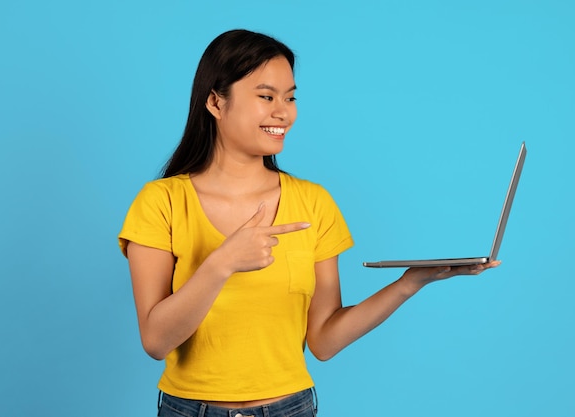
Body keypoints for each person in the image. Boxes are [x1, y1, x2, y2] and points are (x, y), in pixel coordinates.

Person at [118, 29, 500, 417]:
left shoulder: (313, 203)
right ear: (216, 103)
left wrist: (409, 284)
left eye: (290, 97)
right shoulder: (160, 202)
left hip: (291, 408)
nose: (283, 111)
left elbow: (324, 340)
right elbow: (155, 341)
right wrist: (222, 262)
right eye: (266, 96)